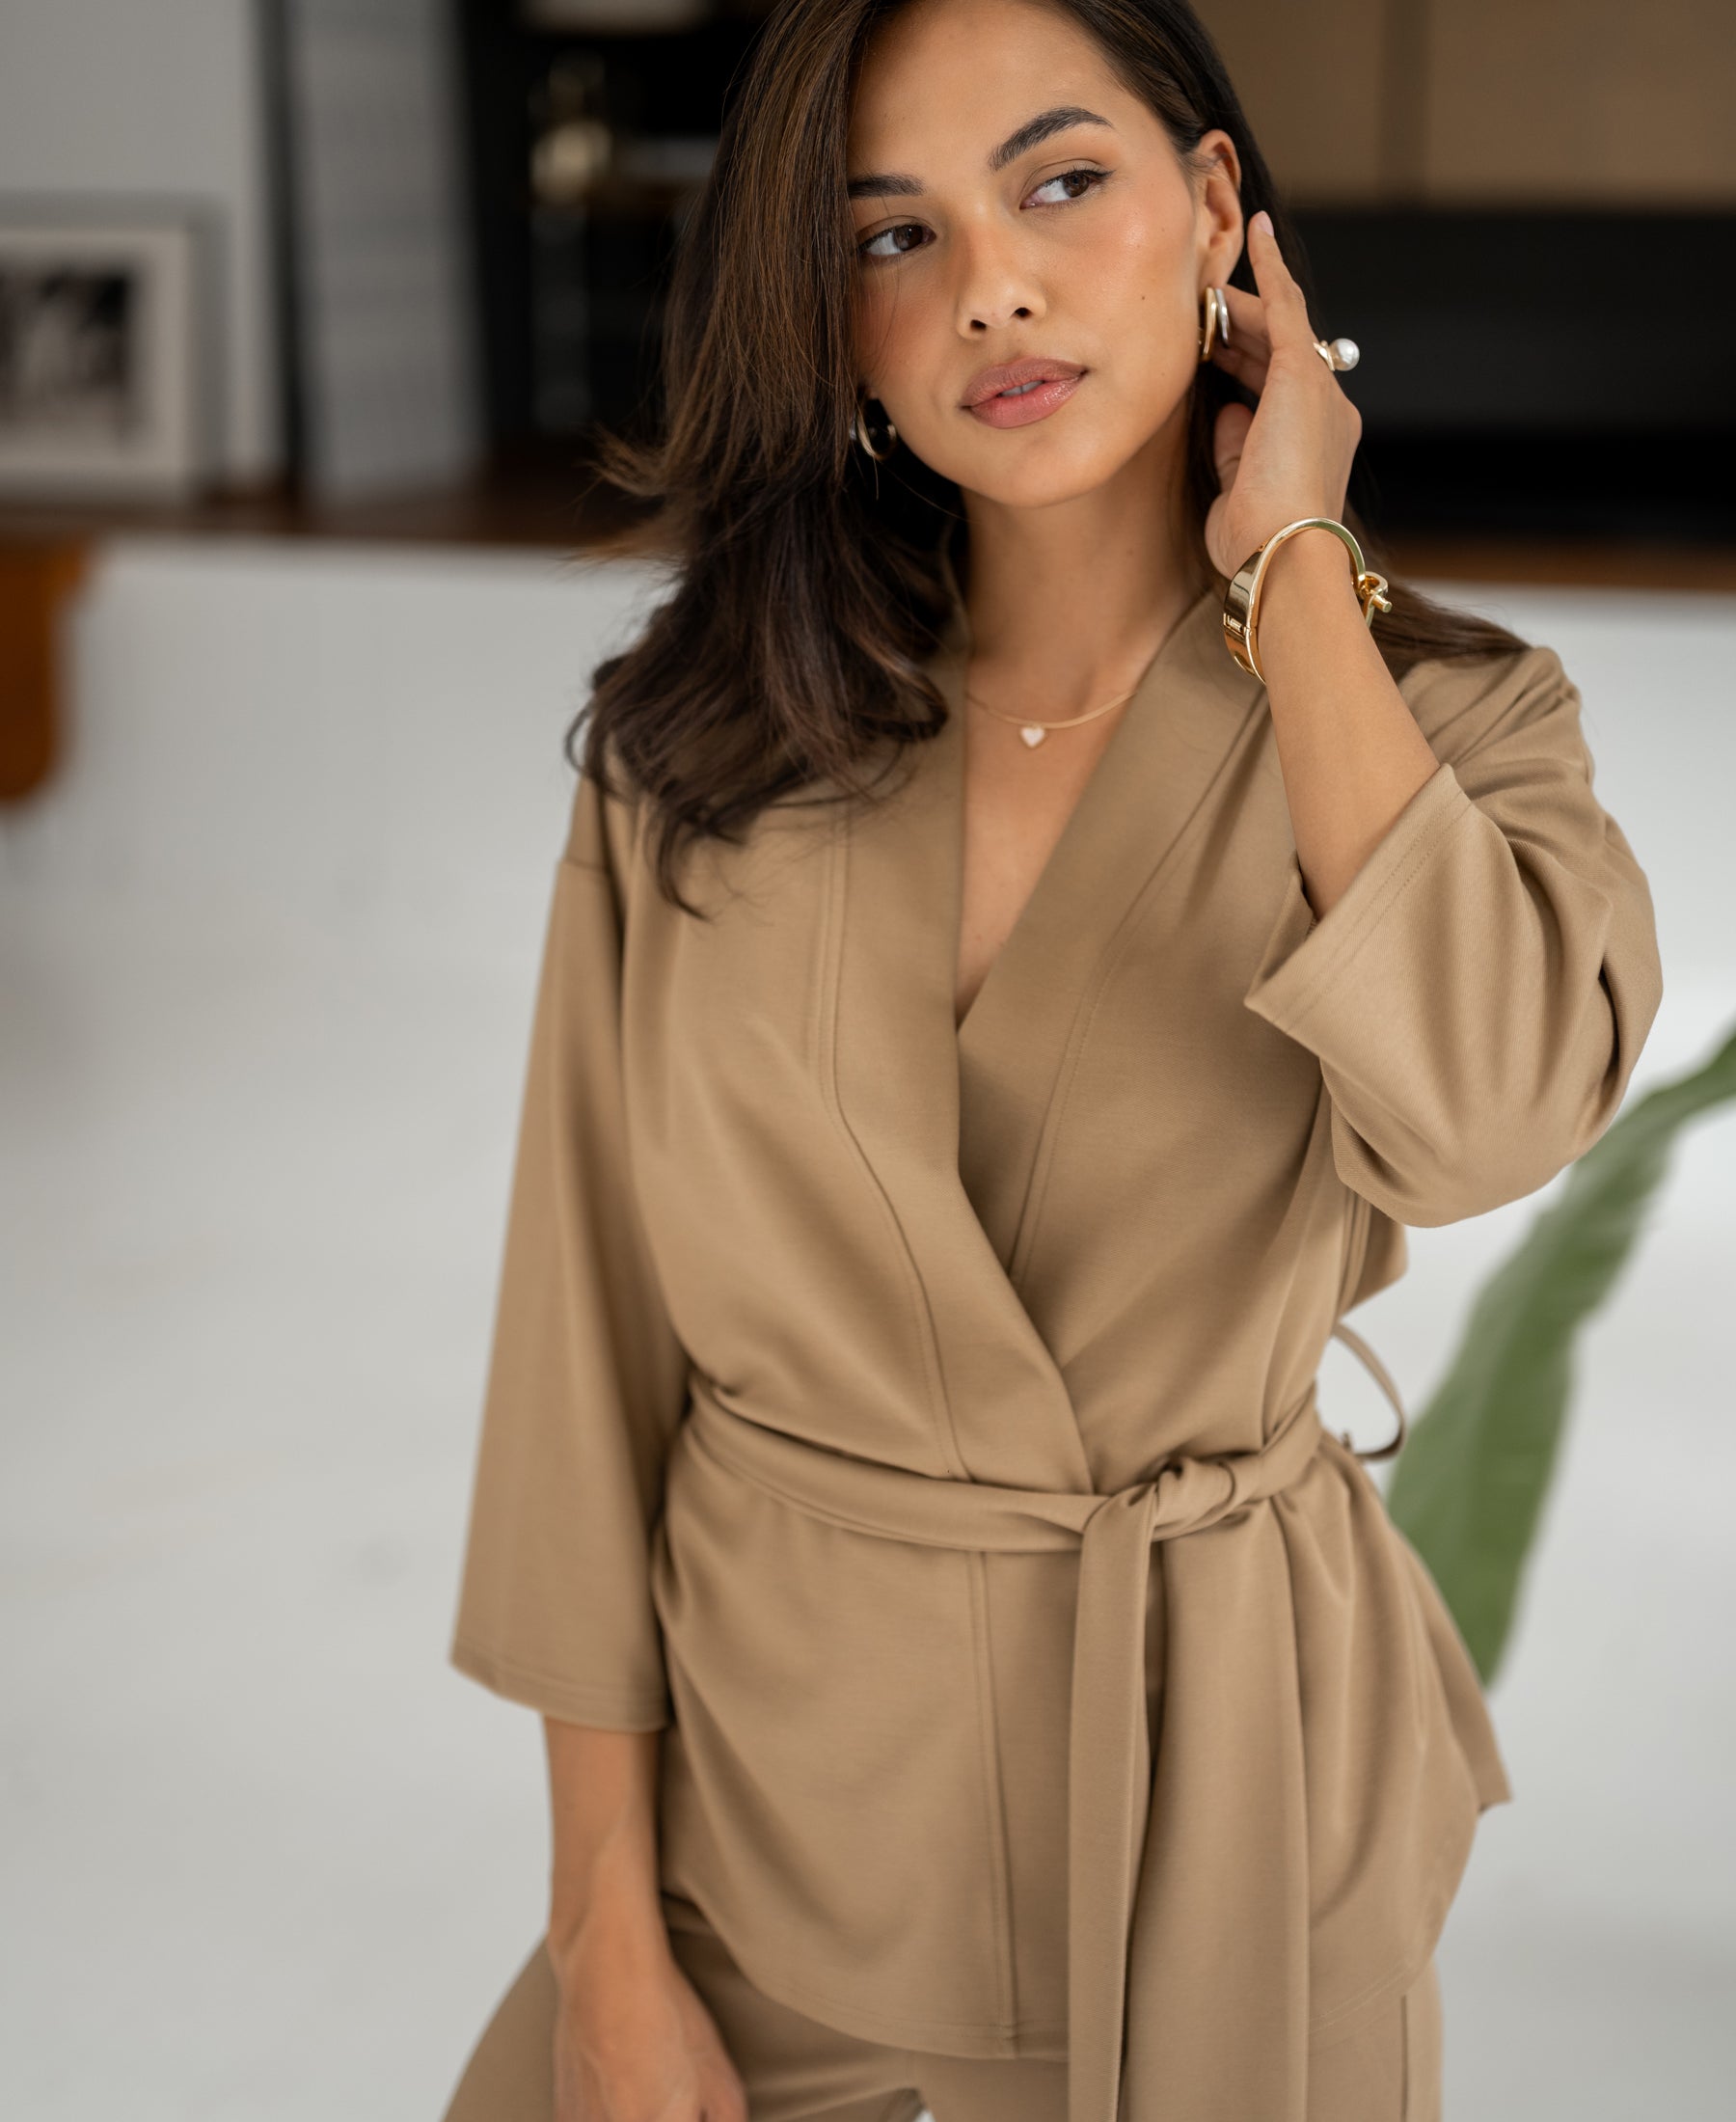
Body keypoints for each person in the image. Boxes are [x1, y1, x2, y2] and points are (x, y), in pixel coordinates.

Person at [438, 3, 1664, 2118]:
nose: (988, 281)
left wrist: (1293, 573)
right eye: (891, 236)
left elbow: (1480, 1126)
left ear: (1216, 210)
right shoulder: (709, 738)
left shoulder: (1454, 731)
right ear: (831, 325)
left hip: (1229, 1838)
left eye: (1061, 182)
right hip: (764, 1838)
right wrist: (606, 1936)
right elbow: (584, 1352)